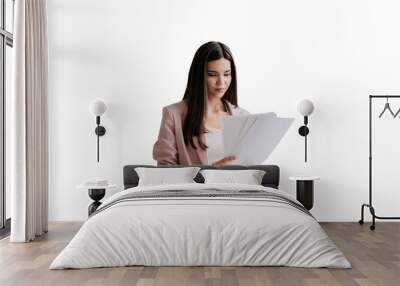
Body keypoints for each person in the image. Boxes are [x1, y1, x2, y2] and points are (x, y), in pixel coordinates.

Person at [153, 41, 249, 166]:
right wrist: (210, 173)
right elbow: (166, 170)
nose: (221, 82)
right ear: (199, 75)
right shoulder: (173, 115)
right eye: (212, 75)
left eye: (227, 74)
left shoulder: (243, 117)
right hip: (192, 186)